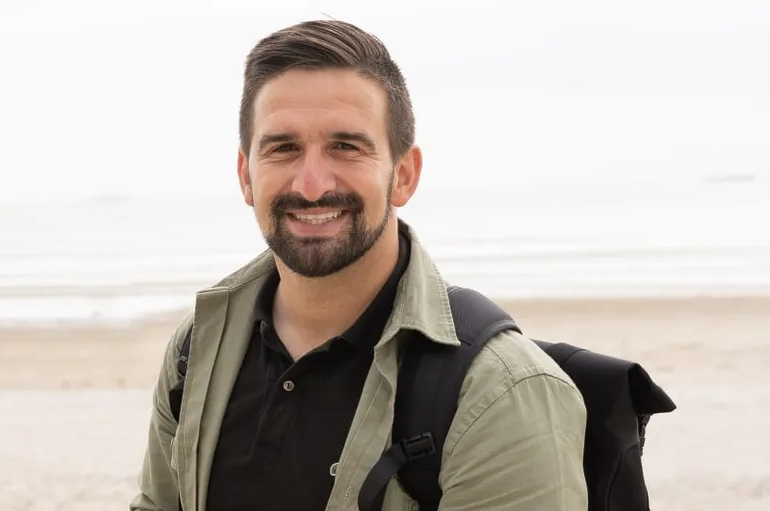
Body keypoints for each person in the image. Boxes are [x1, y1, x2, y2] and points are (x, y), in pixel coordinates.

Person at [130, 19, 588, 511]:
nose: (310, 184)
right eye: (283, 148)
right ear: (246, 176)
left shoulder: (500, 392)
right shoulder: (198, 347)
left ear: (404, 175)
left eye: (346, 147)